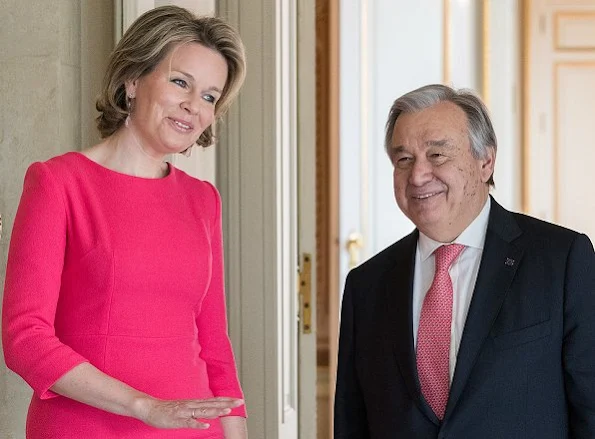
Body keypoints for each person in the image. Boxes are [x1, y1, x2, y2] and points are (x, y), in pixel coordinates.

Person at [2, 6, 248, 438]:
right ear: (133, 81)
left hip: (193, 432)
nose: (193, 106)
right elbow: (25, 338)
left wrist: (236, 429)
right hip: (85, 428)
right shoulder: (58, 183)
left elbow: (214, 344)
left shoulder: (202, 199)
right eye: (180, 82)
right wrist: (143, 406)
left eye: (210, 96)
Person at [334, 84, 595, 438]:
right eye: (403, 160)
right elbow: (353, 422)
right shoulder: (365, 285)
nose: (418, 176)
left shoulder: (562, 260)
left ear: (485, 161)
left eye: (437, 155)